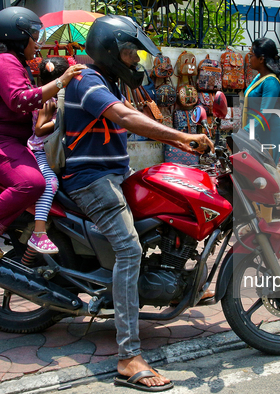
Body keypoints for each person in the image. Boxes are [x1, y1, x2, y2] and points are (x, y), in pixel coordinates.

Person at [62, 15, 213, 391]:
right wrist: (180, 138)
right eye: (130, 53)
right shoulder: (86, 80)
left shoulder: (112, 82)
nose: (135, 61)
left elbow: (136, 112)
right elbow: (124, 117)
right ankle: (128, 357)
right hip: (91, 181)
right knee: (129, 251)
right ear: (110, 51)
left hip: (113, 176)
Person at [0, 7, 86, 259]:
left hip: (11, 142)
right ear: (18, 35)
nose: (37, 42)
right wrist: (61, 81)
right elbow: (19, 100)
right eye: (33, 35)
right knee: (32, 183)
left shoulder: (14, 63)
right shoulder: (4, 61)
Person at [27, 57, 71, 254]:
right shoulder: (49, 100)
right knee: (51, 183)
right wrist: (60, 120)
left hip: (48, 149)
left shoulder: (55, 96)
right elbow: (39, 130)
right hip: (39, 150)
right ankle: (39, 232)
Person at [242, 38, 280, 165]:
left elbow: (265, 113)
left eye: (251, 55)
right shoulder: (260, 76)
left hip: (267, 135)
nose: (249, 59)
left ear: (261, 59)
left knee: (264, 175)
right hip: (257, 132)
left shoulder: (271, 82)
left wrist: (245, 132)